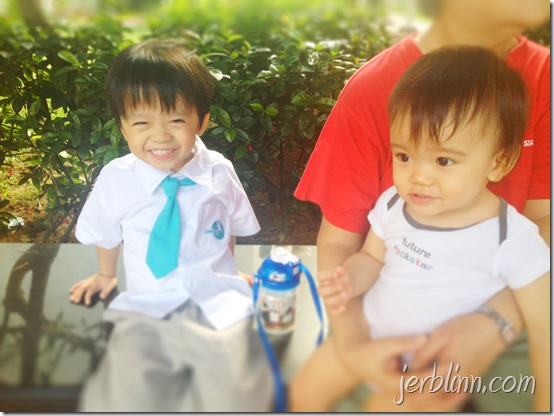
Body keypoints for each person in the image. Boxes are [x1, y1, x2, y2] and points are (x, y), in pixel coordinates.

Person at [291, 0, 550, 412]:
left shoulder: (511, 236)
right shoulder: (395, 202)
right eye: (403, 156)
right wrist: (348, 282)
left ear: (499, 162)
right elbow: (368, 256)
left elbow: (543, 326)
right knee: (305, 391)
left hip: (435, 358)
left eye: (444, 161)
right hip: (370, 331)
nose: (418, 177)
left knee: (387, 406)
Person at [68, 39, 273, 412]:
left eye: (176, 120)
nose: (160, 136)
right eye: (142, 122)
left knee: (236, 394)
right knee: (123, 396)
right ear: (123, 126)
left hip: (214, 301)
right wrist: (105, 275)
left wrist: (228, 272)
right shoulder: (116, 179)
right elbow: (106, 231)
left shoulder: (219, 172)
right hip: (148, 306)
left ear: (202, 121)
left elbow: (226, 226)